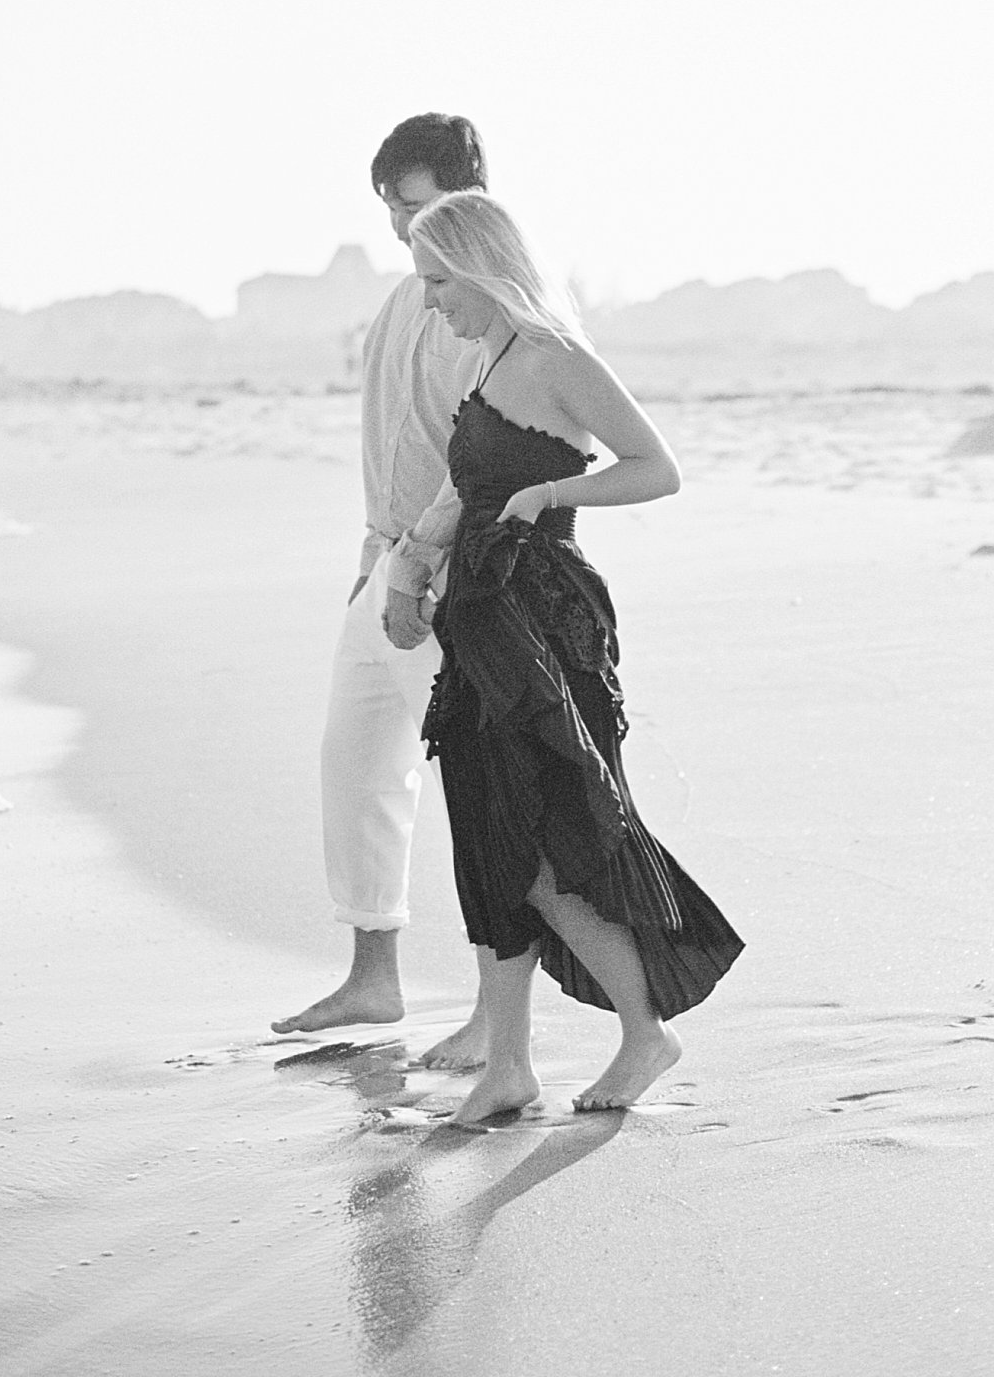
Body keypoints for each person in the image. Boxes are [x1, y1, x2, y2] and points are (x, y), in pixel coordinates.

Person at [395, 191, 743, 1123]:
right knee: (491, 840)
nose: (431, 303)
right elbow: (461, 489)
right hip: (481, 622)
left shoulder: (555, 358)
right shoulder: (493, 355)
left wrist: (548, 492)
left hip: (545, 627)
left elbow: (656, 468)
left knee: (554, 840)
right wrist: (410, 572)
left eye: (437, 282)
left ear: (480, 268)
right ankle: (507, 1066)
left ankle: (645, 1033)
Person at [271, 115, 490, 1062]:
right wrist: (370, 561)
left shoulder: (486, 299)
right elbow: (390, 440)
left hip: (447, 579)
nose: (399, 224)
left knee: (480, 793)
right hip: (381, 567)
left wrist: (418, 562)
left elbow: (491, 450)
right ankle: (374, 979)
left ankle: (497, 1014)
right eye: (391, 207)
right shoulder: (407, 298)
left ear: (461, 189)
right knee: (355, 767)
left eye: (411, 202)